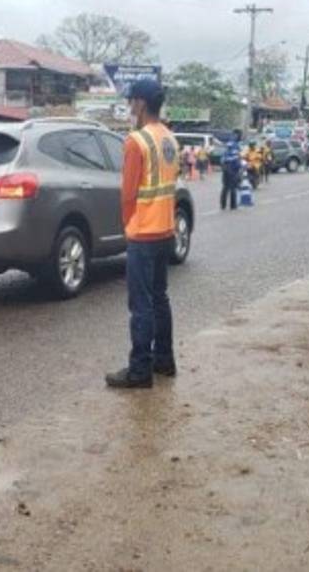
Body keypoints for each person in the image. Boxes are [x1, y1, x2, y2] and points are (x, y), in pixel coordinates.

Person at [106, 79, 179, 389]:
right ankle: (164, 360)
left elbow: (128, 193)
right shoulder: (170, 138)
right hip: (165, 231)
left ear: (140, 103)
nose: (129, 106)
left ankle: (140, 370)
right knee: (160, 298)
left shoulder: (137, 141)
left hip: (144, 233)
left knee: (141, 304)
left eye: (131, 101)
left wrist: (128, 226)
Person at [220, 130, 243, 210]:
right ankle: (233, 205)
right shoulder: (236, 145)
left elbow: (222, 157)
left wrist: (223, 166)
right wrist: (239, 167)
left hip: (225, 167)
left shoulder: (228, 144)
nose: (241, 137)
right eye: (240, 135)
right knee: (233, 186)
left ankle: (223, 205)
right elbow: (236, 158)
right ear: (237, 135)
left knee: (225, 187)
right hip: (232, 167)